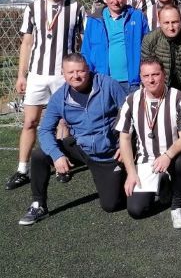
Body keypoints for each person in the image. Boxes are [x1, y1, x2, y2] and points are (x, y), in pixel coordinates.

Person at [18, 54, 126, 225]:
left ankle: (125, 177)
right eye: (70, 72)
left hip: (109, 153)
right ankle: (38, 204)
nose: (76, 76)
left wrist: (124, 145)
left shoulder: (108, 84)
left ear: (88, 70)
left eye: (80, 71)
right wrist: (56, 155)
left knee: (111, 205)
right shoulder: (59, 97)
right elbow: (45, 130)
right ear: (63, 73)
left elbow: (131, 112)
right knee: (40, 155)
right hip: (81, 147)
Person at [7, 0, 85, 190]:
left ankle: (60, 163)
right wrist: (21, 75)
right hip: (38, 75)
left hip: (64, 76)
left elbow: (82, 40)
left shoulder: (76, 8)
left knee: (63, 122)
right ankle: (22, 168)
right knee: (30, 121)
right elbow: (27, 43)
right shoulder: (32, 8)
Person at [116, 58, 181, 228]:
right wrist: (131, 173)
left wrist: (167, 155)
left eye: (155, 74)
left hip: (172, 156)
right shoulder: (131, 100)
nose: (151, 80)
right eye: (146, 76)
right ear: (141, 78)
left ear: (163, 75)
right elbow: (125, 138)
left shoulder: (179, 98)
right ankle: (163, 185)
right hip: (146, 160)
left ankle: (177, 207)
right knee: (136, 211)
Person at [82, 0, 150, 94]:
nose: (115, 1)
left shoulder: (137, 16)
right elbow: (86, 51)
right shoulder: (94, 20)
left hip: (132, 82)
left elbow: (148, 46)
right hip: (102, 81)